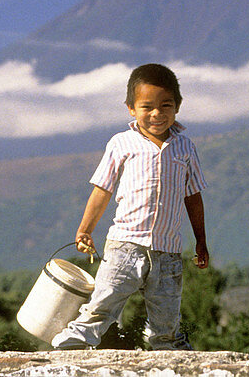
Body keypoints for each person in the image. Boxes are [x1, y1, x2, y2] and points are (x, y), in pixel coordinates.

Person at [51, 63, 209, 350]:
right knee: (104, 298)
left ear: (178, 107)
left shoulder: (185, 148)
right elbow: (102, 190)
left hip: (168, 250)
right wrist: (85, 229)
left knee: (167, 313)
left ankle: (168, 347)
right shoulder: (122, 143)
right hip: (125, 244)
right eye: (147, 106)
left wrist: (201, 241)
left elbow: (193, 197)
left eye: (166, 105)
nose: (157, 114)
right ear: (131, 109)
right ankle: (77, 339)